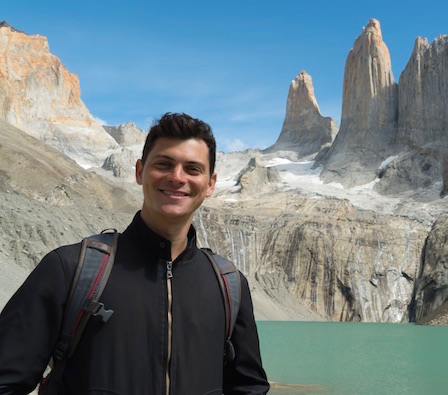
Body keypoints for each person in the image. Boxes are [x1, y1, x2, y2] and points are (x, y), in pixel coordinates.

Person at [0, 113, 269, 394]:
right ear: (140, 171)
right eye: (164, 164)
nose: (177, 177)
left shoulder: (229, 285)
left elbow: (248, 387)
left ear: (210, 183)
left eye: (192, 169)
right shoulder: (69, 270)